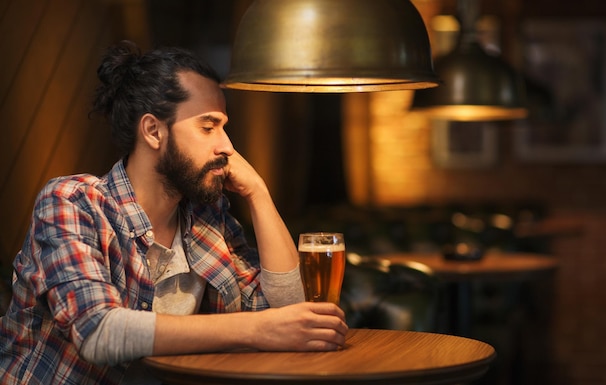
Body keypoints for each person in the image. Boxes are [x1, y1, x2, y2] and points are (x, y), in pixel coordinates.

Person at [0, 40, 347, 385]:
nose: (227, 146)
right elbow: (98, 331)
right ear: (153, 131)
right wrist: (258, 330)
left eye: (224, 127)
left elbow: (286, 312)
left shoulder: (206, 215)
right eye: (208, 127)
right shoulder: (74, 202)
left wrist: (259, 192)